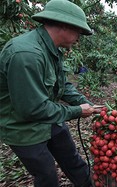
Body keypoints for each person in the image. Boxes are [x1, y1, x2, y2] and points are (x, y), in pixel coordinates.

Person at [0, 0, 100, 186]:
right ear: (64, 25)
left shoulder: (51, 50)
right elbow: (33, 109)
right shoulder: (26, 54)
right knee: (47, 177)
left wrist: (86, 103)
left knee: (74, 162)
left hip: (50, 119)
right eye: (78, 31)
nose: (79, 37)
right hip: (23, 128)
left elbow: (62, 85)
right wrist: (78, 110)